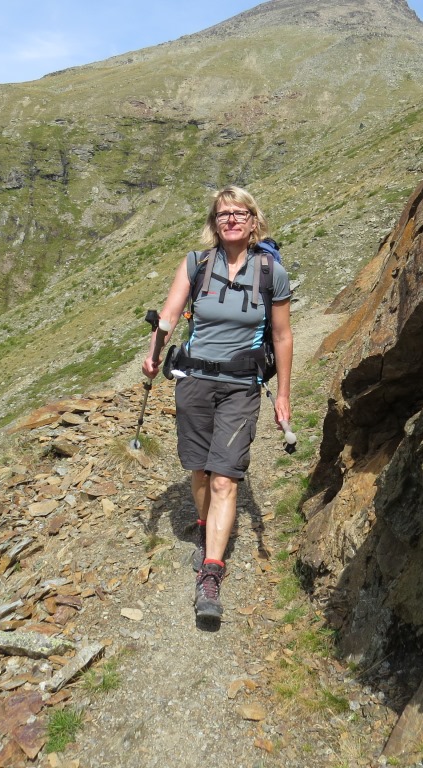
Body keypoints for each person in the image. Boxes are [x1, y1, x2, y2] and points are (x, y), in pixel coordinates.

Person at [142, 185, 292, 621]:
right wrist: (154, 353)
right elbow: (170, 315)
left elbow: (282, 335)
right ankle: (206, 525)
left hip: (241, 386)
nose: (231, 219)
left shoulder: (271, 272)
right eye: (223, 213)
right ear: (214, 222)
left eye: (239, 213)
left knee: (225, 478)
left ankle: (210, 572)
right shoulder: (196, 264)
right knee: (200, 470)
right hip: (194, 382)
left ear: (253, 221)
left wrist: (283, 395)